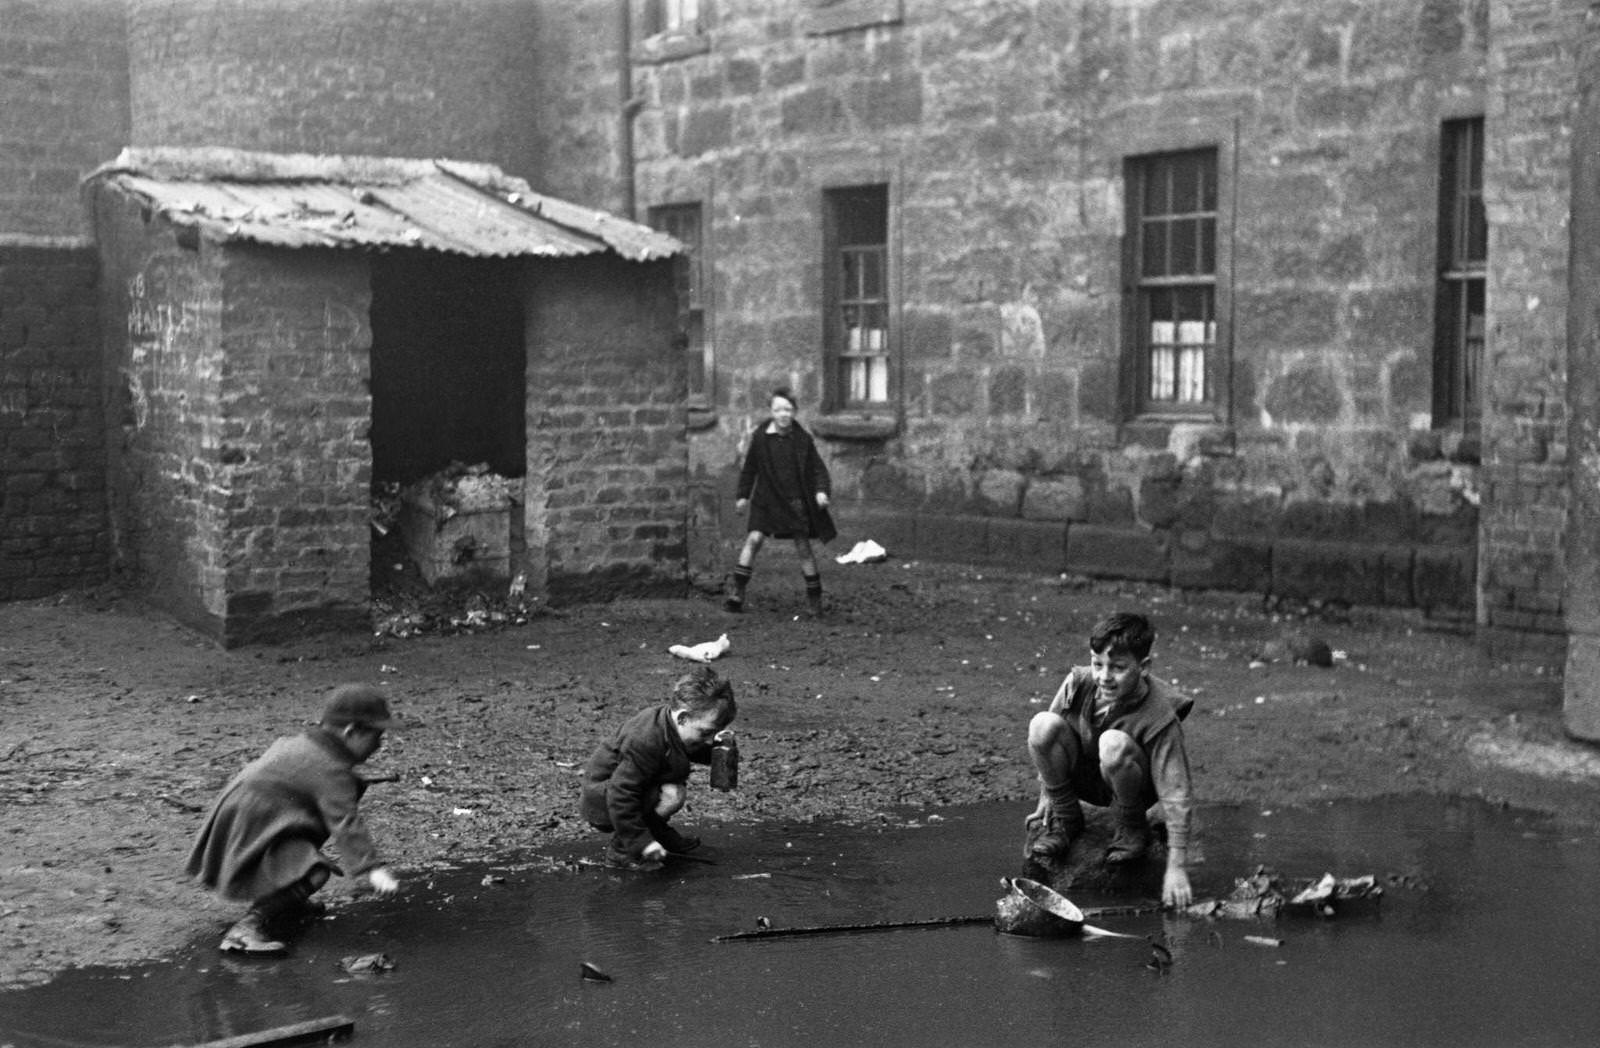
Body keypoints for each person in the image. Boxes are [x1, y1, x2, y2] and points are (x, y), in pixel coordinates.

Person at [186, 683, 403, 954]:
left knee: (298, 858)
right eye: (377, 736)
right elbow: (345, 822)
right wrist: (372, 869)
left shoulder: (306, 744)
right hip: (253, 825)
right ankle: (246, 930)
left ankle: (289, 901)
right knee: (315, 871)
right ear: (351, 731)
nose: (379, 745)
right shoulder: (331, 770)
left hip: (246, 815)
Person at [1023, 611, 1196, 908]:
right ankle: (1067, 820)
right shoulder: (1078, 682)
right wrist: (1047, 796)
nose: (1104, 677)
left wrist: (1176, 867)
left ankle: (1130, 825)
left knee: (1113, 743)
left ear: (1143, 668)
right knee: (1041, 724)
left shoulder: (1160, 713)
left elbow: (1176, 790)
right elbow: (1049, 740)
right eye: (1097, 663)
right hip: (1086, 777)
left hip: (1132, 785)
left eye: (1117, 667)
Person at [580, 665, 737, 871]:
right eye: (705, 733)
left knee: (672, 790)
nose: (709, 740)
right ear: (682, 717)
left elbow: (688, 748)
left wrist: (720, 753)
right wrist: (640, 843)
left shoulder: (673, 726)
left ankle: (656, 833)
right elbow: (621, 794)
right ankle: (621, 852)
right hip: (605, 800)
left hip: (634, 787)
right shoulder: (645, 739)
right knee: (671, 795)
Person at [726, 387, 837, 616]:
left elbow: (818, 470)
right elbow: (750, 469)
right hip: (766, 499)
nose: (783, 414)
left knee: (803, 546)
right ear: (771, 412)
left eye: (788, 409)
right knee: (754, 539)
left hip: (794, 499)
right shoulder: (760, 438)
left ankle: (814, 600)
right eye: (778, 409)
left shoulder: (802, 440)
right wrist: (743, 496)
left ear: (794, 411)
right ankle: (737, 591)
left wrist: (821, 492)